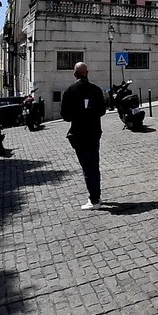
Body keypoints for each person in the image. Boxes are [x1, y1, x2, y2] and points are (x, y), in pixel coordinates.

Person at [61, 62, 107, 209]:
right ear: (87, 73)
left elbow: (65, 115)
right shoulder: (96, 90)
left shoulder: (69, 91)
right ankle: (96, 195)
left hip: (79, 134)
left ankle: (94, 200)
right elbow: (102, 111)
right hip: (94, 132)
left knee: (87, 166)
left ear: (75, 74)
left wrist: (78, 114)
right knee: (94, 165)